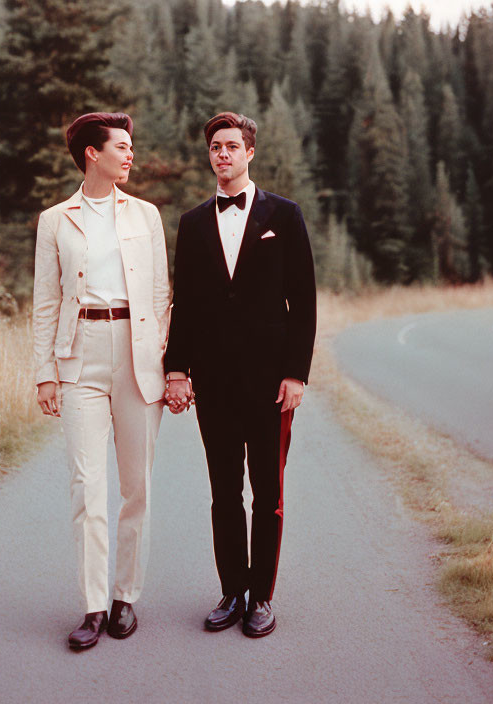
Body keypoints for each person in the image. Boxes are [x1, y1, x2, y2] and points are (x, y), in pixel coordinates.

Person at [163, 112, 316, 638]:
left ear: (250, 152)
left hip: (271, 380)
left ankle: (262, 599)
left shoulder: (285, 215)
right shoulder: (191, 222)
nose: (222, 154)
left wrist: (296, 373)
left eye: (231, 146)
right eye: (215, 147)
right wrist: (177, 369)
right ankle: (232, 591)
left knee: (267, 491)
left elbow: (305, 301)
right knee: (224, 490)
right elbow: (184, 305)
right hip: (214, 382)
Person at [32, 112, 170, 650]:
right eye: (122, 146)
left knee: (136, 486)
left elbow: (160, 296)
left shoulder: (147, 215)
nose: (131, 155)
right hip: (79, 356)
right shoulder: (55, 220)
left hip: (136, 355)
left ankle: (125, 597)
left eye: (131, 146)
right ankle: (91, 607)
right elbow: (46, 300)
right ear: (93, 153)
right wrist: (45, 373)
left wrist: (163, 359)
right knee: (86, 486)